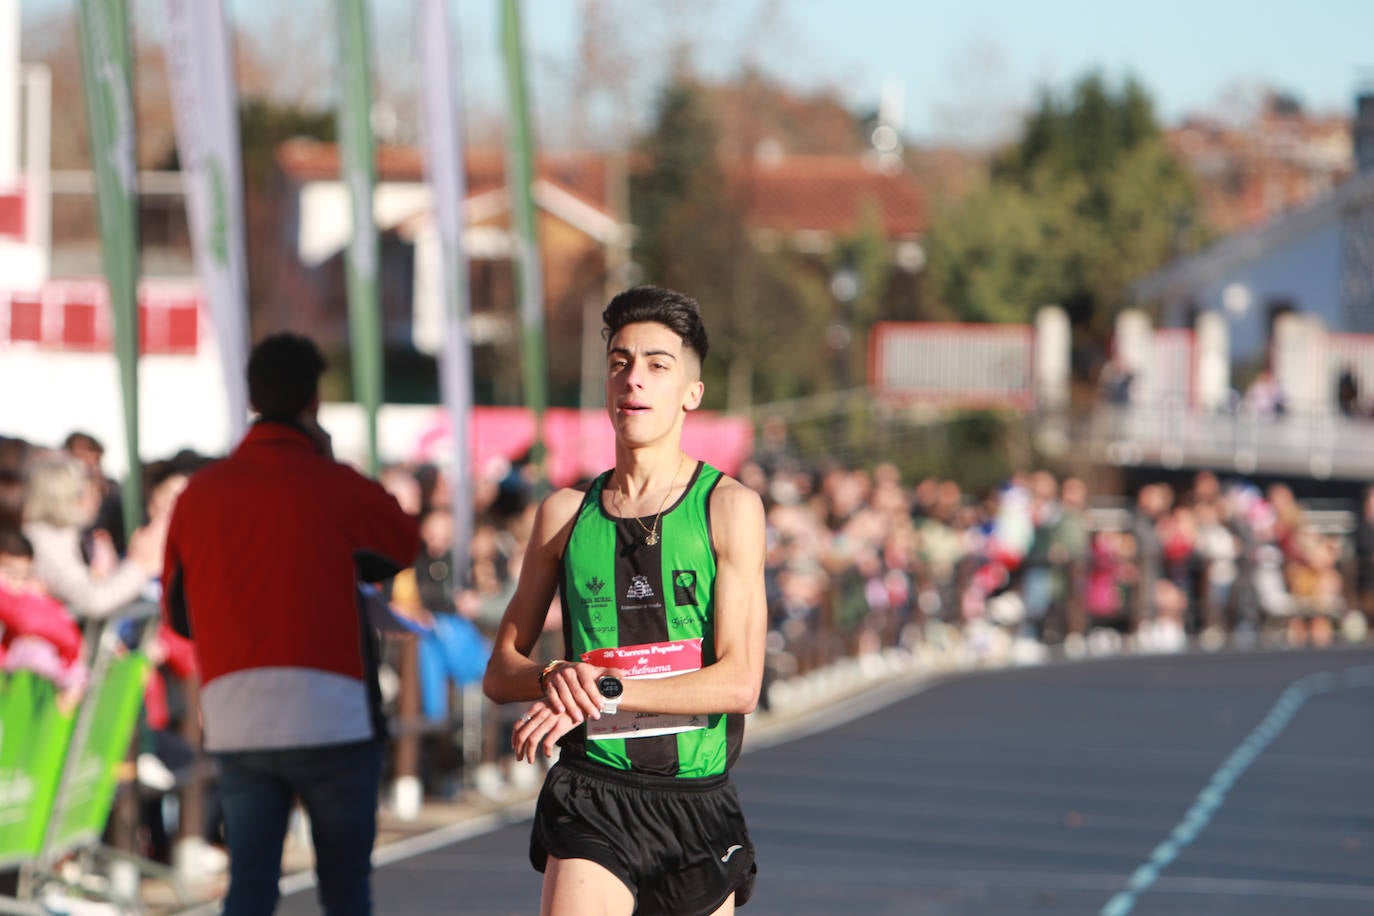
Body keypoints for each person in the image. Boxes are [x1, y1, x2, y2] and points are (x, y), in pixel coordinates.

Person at [483, 286, 766, 916]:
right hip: (593, 791)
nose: (633, 380)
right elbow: (502, 672)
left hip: (696, 800)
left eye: (657, 365)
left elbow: (740, 683)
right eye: (619, 362)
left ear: (691, 392)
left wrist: (603, 687)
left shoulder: (729, 508)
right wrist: (556, 676)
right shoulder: (563, 513)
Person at [161, 333, 419, 916]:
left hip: (237, 711)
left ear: (251, 395)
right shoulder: (332, 483)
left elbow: (179, 614)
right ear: (314, 401)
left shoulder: (198, 494)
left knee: (249, 887)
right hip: (334, 710)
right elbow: (402, 543)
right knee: (345, 890)